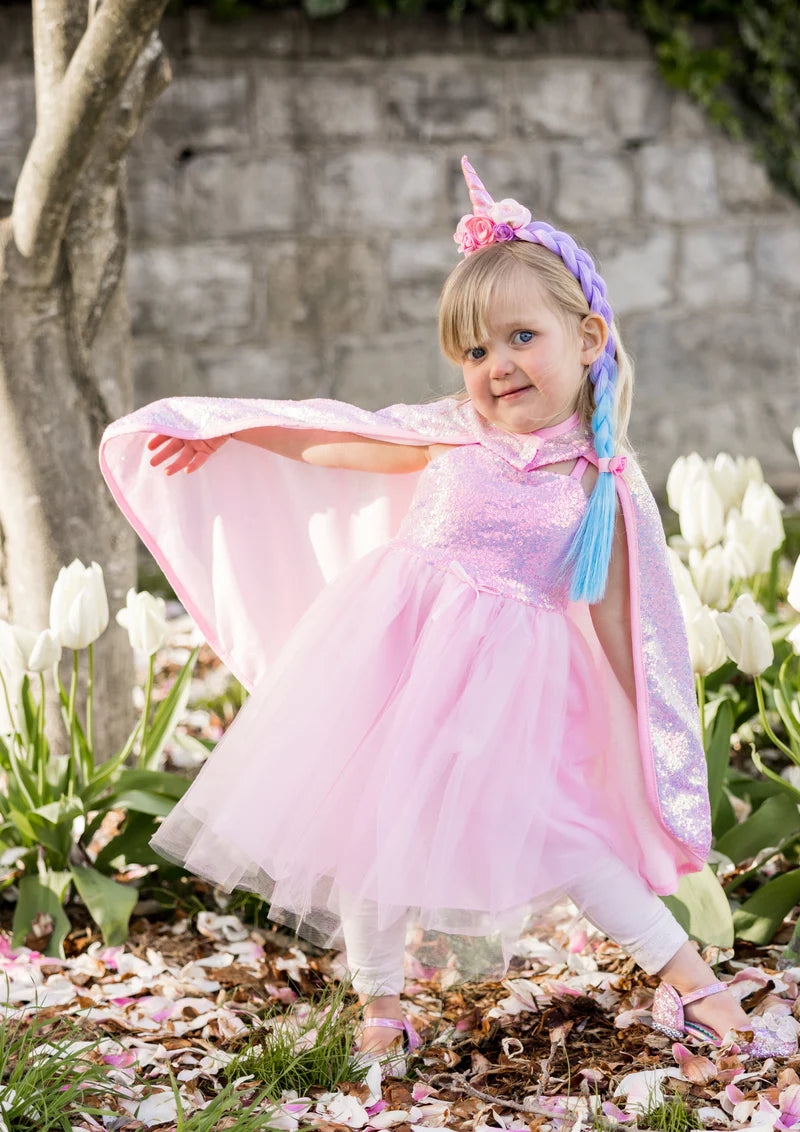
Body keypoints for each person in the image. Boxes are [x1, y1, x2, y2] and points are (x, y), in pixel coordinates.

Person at [99, 156, 797, 1075]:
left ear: (587, 337)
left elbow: (629, 624)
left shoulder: (603, 487)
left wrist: (649, 743)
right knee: (366, 824)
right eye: (474, 352)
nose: (497, 366)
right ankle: (381, 1003)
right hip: (393, 660)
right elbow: (335, 439)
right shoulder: (452, 433)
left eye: (519, 337)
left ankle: (691, 982)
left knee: (570, 839)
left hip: (515, 695)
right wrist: (228, 427)